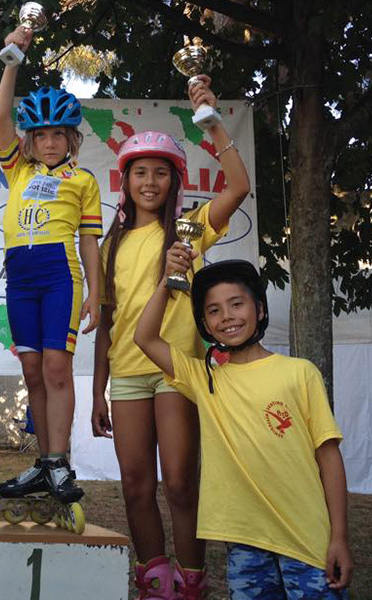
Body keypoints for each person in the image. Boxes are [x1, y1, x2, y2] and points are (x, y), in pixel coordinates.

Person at [91, 78, 250, 599]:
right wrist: (98, 390)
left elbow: (237, 188)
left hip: (178, 369)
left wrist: (213, 122)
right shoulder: (110, 243)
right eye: (141, 172)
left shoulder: (188, 228)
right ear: (126, 180)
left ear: (174, 181)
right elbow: (108, 323)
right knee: (136, 485)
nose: (151, 181)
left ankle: (191, 583)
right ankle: (154, 580)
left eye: (162, 172)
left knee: (180, 482)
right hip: (126, 374)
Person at [134, 257, 353, 599]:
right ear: (204, 324)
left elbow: (328, 457)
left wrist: (339, 536)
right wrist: (167, 280)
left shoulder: (300, 372)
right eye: (214, 311)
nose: (227, 317)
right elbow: (145, 338)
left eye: (237, 304)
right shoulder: (204, 378)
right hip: (244, 544)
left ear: (260, 310)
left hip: (307, 543)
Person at [0, 26, 103, 506]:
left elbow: (90, 243)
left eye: (60, 134)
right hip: (20, 280)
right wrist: (13, 58)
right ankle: (43, 462)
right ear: (30, 140)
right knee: (34, 371)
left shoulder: (83, 180)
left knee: (58, 368)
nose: (51, 142)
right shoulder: (18, 169)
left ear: (72, 139)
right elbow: (0, 114)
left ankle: (61, 462)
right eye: (41, 135)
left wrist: (96, 294)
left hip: (61, 276)